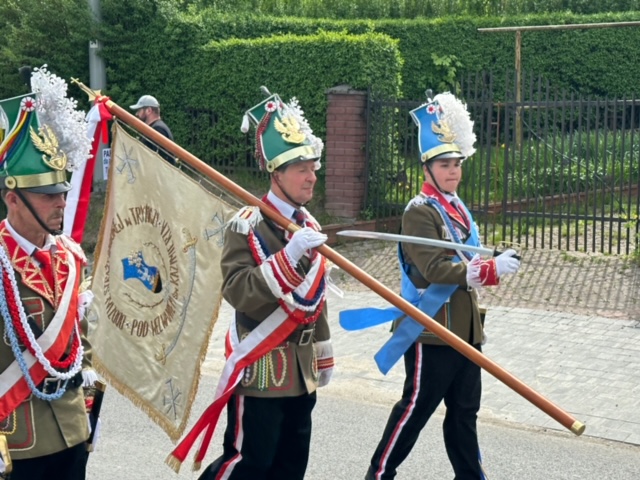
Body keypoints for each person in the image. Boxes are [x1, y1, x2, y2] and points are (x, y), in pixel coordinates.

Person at [365, 92, 520, 480]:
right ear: (427, 168)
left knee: (465, 411)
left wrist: (495, 265)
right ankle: (379, 474)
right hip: (431, 328)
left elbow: (468, 260)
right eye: (444, 164)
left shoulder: (457, 208)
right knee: (415, 409)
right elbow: (434, 268)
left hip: (465, 328)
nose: (452, 171)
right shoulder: (419, 211)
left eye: (456, 164)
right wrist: (485, 269)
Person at [184, 90, 333, 480]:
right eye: (301, 168)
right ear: (276, 173)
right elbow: (238, 291)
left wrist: (323, 347)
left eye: (313, 167)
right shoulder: (248, 225)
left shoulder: (308, 225)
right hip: (263, 370)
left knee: (290, 468)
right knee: (247, 466)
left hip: (301, 372)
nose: (311, 176)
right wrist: (288, 257)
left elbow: (315, 295)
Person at [0, 67, 97, 480]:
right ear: (13, 199)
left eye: (62, 193)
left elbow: (77, 332)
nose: (60, 203)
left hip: (71, 427)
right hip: (18, 436)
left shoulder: (70, 255)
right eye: (47, 195)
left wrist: (88, 370)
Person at [129, 94, 175, 165]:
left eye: (139, 110)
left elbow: (160, 162)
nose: (136, 114)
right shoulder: (154, 128)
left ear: (149, 110)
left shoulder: (158, 130)